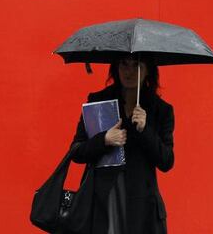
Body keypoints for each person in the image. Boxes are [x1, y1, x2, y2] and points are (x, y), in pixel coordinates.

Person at [70, 54, 175, 234]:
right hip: (103, 203)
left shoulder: (161, 110)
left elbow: (166, 161)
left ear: (148, 70)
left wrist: (145, 130)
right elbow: (77, 151)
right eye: (124, 65)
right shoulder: (98, 101)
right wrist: (104, 140)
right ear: (115, 68)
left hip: (142, 208)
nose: (129, 71)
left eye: (136, 65)